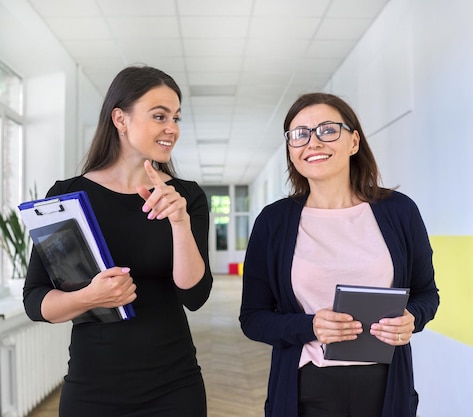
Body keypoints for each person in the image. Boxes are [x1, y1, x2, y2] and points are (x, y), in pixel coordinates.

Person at [23, 65, 214, 417]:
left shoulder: (186, 196)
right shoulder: (66, 196)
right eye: (160, 116)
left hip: (174, 385)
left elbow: (195, 295)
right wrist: (89, 297)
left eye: (176, 118)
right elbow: (35, 301)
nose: (172, 128)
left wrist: (180, 221)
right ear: (120, 119)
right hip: (92, 387)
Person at [239, 92, 440, 417]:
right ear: (291, 150)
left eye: (327, 130)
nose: (313, 142)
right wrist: (310, 327)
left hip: (386, 387)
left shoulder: (399, 211)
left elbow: (426, 294)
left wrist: (412, 319)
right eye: (299, 134)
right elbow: (253, 318)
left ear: (354, 141)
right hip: (305, 389)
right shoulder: (274, 221)